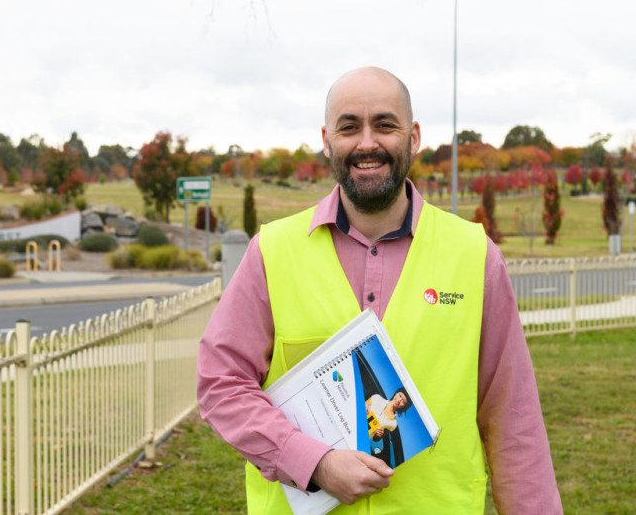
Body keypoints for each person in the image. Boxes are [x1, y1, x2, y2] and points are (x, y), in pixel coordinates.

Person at [197, 66, 562, 514]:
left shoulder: (475, 256)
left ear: (413, 138)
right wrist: (314, 463)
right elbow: (220, 382)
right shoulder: (272, 252)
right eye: (349, 127)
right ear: (327, 141)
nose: (367, 142)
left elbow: (514, 420)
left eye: (385, 124)